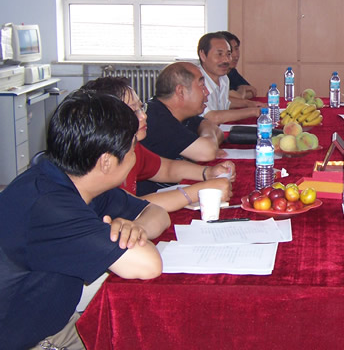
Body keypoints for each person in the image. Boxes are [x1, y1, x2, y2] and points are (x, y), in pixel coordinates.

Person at [0, 91, 170, 350]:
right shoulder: (50, 207)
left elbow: (157, 213)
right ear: (106, 162)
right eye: (132, 148)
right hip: (36, 341)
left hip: (54, 322)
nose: (135, 155)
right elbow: (148, 265)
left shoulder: (72, 178)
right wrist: (131, 237)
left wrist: (135, 229)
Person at [82, 77, 235, 209]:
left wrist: (208, 172)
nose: (144, 116)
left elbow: (167, 169)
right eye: (133, 111)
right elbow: (130, 207)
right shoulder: (100, 160)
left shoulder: (132, 147)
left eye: (142, 108)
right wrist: (200, 191)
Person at [142, 61, 224, 166]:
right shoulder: (156, 119)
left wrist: (208, 139)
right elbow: (207, 152)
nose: (207, 92)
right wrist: (210, 141)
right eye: (202, 86)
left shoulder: (179, 112)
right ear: (180, 91)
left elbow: (216, 130)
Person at [197, 32, 264, 125]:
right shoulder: (196, 82)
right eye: (219, 54)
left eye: (228, 54)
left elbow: (224, 103)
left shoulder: (223, 78)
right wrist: (254, 111)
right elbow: (211, 117)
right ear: (203, 55)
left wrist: (248, 104)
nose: (226, 60)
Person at [219, 31, 259, 100]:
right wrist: (241, 91)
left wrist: (239, 93)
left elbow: (252, 91)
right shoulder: (217, 74)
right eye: (230, 50)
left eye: (236, 49)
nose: (235, 55)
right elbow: (227, 99)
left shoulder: (232, 71)